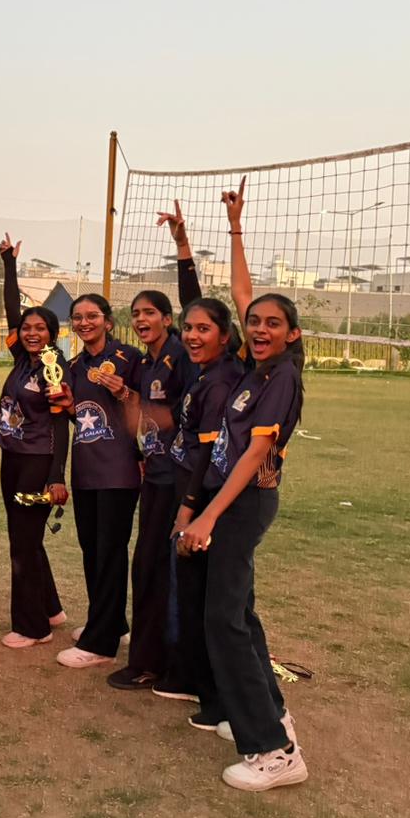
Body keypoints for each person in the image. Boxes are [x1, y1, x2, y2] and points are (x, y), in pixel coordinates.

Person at [180, 179, 308, 792]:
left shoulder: (282, 377)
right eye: (254, 322)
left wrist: (207, 516)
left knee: (223, 621)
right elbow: (241, 293)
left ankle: (273, 750)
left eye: (272, 324)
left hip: (244, 501)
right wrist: (234, 228)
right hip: (232, 499)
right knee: (240, 614)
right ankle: (270, 714)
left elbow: (257, 451)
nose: (259, 328)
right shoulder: (256, 368)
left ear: (292, 335)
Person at [155, 199, 244, 731]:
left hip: (208, 498)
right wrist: (183, 247)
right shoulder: (204, 372)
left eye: (203, 330)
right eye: (187, 329)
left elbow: (210, 454)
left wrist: (188, 510)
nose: (191, 335)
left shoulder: (226, 378)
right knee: (191, 595)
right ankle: (199, 684)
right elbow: (199, 306)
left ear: (227, 337)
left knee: (213, 603)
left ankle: (224, 701)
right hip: (191, 490)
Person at [106, 283, 198, 695]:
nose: (141, 319)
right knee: (147, 567)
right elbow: (143, 417)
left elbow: (186, 415)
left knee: (161, 570)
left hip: (180, 478)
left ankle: (160, 665)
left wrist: (153, 415)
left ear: (167, 318)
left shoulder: (182, 357)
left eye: (149, 312)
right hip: (156, 475)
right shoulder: (147, 362)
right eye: (136, 313)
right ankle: (153, 660)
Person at [56, 293, 143, 669]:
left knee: (110, 552)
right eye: (77, 317)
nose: (84, 323)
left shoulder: (130, 357)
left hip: (119, 470)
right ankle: (110, 622)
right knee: (92, 550)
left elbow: (145, 408)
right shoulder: (75, 365)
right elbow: (84, 416)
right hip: (86, 470)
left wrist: (122, 390)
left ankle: (101, 643)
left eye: (92, 316)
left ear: (108, 321)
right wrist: (67, 406)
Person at [0, 234, 71, 649]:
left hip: (38, 463)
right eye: (27, 327)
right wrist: (9, 265)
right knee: (26, 537)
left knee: (23, 543)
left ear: (53, 333)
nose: (31, 332)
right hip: (14, 458)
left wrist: (56, 476)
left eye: (41, 328)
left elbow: (61, 426)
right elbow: (11, 310)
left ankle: (32, 627)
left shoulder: (53, 368)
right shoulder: (24, 358)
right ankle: (51, 609)